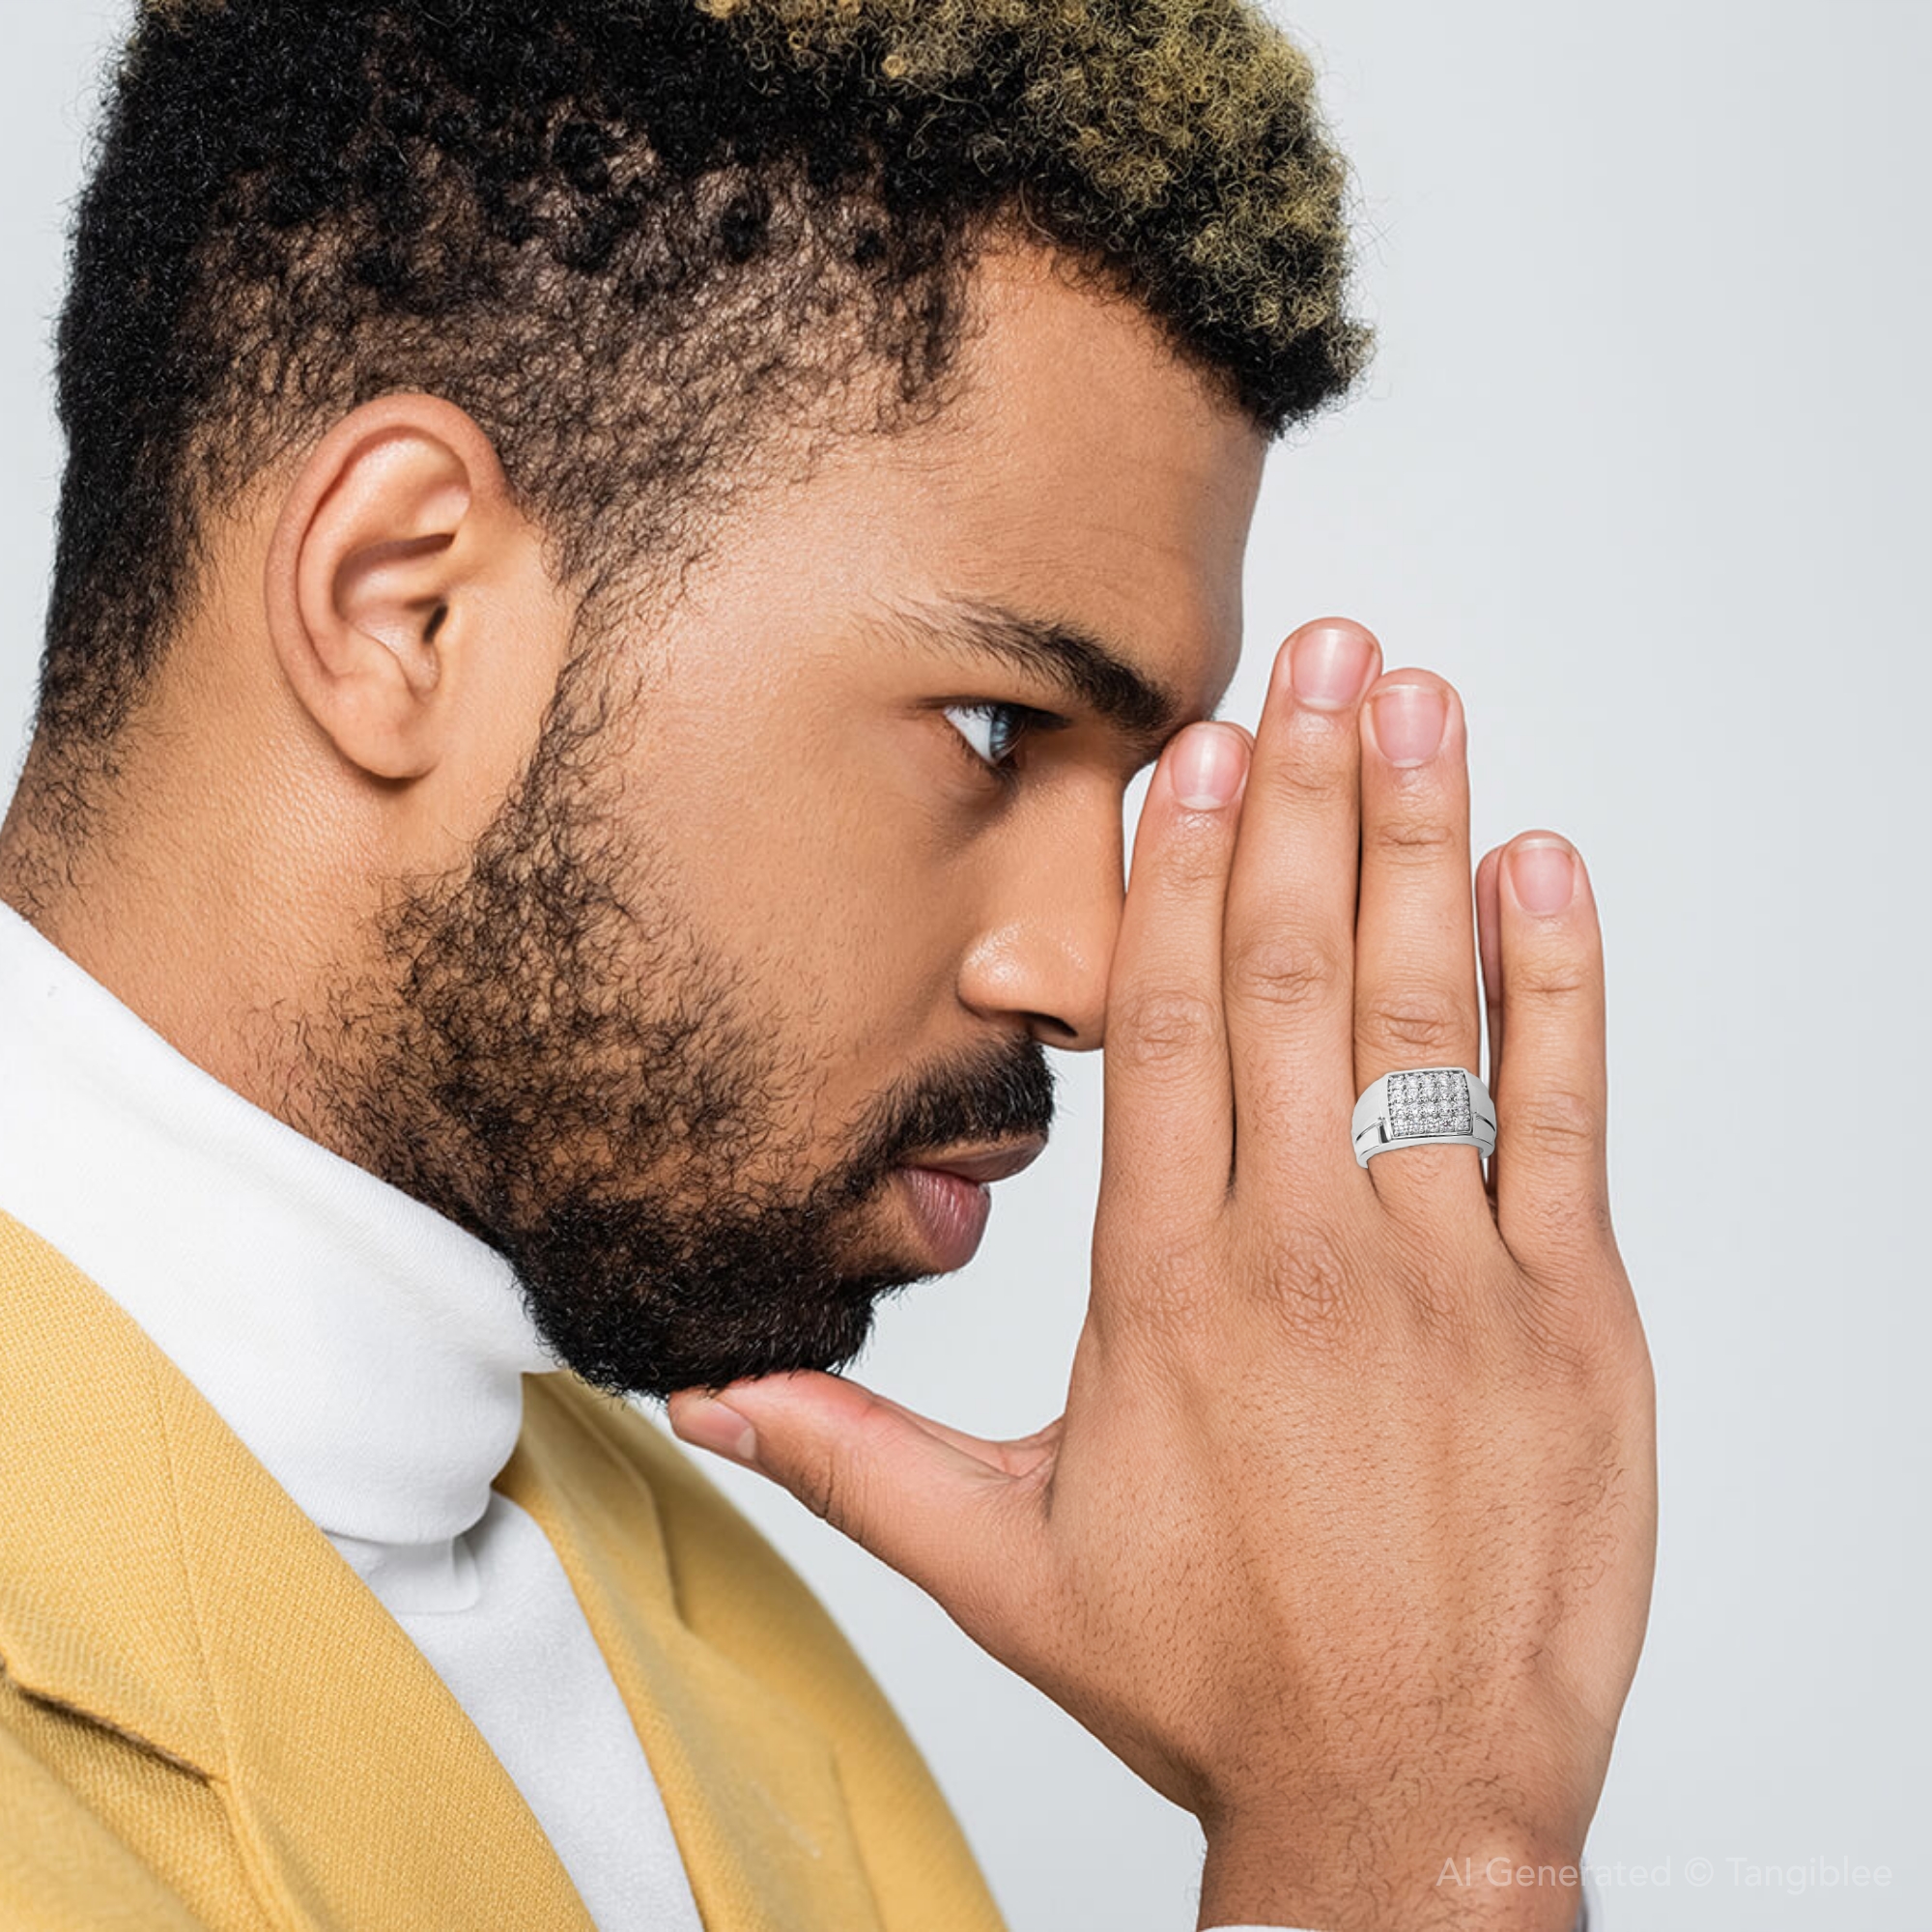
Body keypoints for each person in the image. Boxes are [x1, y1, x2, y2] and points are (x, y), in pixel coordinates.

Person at [0, 2, 1655, 1928]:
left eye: (1135, 779)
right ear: (408, 605)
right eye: (994, 729)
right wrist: (1396, 1831)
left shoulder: (712, 1638)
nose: (1094, 975)